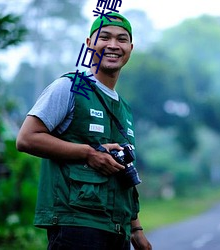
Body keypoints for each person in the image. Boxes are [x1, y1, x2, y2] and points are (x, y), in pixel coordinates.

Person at [16, 11, 152, 250]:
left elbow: (123, 170)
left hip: (117, 229)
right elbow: (26, 138)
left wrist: (136, 228)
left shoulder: (125, 108)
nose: (113, 45)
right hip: (76, 225)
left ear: (130, 48)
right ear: (89, 44)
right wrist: (89, 153)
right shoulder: (69, 87)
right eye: (104, 37)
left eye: (121, 39)